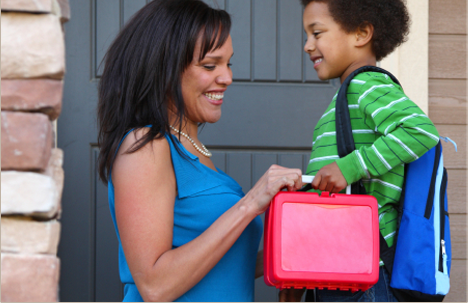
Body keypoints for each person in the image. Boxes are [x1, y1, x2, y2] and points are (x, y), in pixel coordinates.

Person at [97, 0, 303, 301]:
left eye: (228, 63)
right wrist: (249, 205)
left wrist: (290, 261)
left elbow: (221, 267)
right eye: (210, 65)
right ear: (164, 68)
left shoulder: (191, 151)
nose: (227, 78)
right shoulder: (146, 146)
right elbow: (156, 285)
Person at [280, 0, 439, 302]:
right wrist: (300, 269)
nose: (307, 45)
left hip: (365, 274)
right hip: (340, 267)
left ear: (361, 33)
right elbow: (329, 201)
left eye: (317, 33)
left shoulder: (366, 84)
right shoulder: (346, 97)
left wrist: (351, 167)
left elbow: (420, 130)